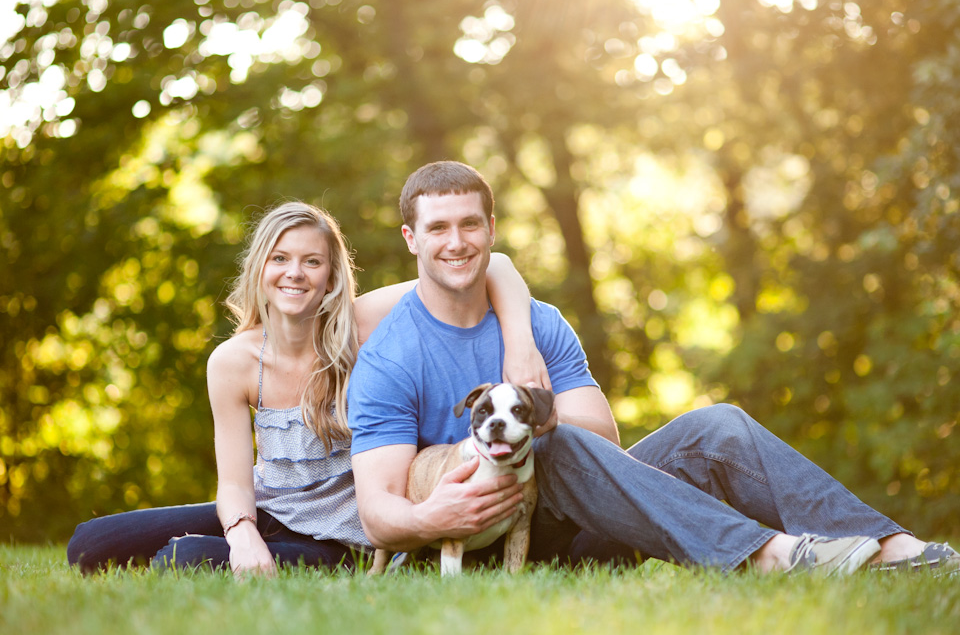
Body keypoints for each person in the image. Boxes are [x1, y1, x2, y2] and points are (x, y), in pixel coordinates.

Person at [347, 160, 959, 576]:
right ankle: (769, 555)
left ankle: (896, 551)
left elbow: (605, 440)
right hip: (483, 541)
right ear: (411, 238)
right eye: (438, 228)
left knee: (715, 426)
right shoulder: (390, 358)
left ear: (492, 229)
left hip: (583, 523)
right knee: (544, 444)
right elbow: (377, 510)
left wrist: (535, 408)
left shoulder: (538, 322)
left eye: (469, 224)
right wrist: (435, 516)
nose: (456, 241)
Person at [67, 201, 546, 576]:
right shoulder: (232, 362)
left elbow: (494, 264)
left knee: (184, 559)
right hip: (271, 507)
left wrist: (521, 345)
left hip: (343, 534)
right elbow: (234, 483)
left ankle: (217, 555)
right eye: (280, 258)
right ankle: (242, 547)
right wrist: (243, 535)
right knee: (89, 545)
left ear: (332, 275)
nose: (294, 273)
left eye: (311, 261)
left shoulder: (360, 326)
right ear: (261, 268)